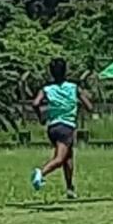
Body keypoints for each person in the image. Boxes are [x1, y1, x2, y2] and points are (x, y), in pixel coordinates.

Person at [31, 58, 86, 198]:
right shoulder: (73, 87)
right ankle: (41, 173)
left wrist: (41, 116)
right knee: (60, 158)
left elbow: (36, 103)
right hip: (66, 126)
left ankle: (70, 188)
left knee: (68, 157)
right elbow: (89, 105)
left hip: (53, 126)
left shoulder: (47, 89)